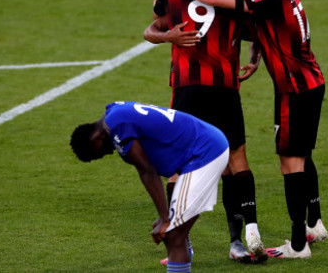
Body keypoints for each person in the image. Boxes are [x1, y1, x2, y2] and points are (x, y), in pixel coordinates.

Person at [156, 0, 328, 260]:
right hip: (303, 83)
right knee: (297, 155)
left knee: (291, 161)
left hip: (295, 88)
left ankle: (298, 244)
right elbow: (250, 16)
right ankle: (310, 225)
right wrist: (255, 52)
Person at [143, 0, 266, 264]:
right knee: (235, 160)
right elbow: (257, 30)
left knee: (178, 166)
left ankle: (181, 244)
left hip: (186, 89)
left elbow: (150, 30)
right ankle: (239, 240)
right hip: (225, 88)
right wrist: (254, 56)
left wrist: (169, 36)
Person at [69, 101, 229, 273]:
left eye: (98, 153)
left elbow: (147, 171)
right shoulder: (112, 113)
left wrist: (165, 218)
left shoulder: (118, 128)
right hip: (200, 148)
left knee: (174, 236)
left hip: (205, 152)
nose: (107, 153)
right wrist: (164, 217)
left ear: (96, 138)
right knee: (174, 235)